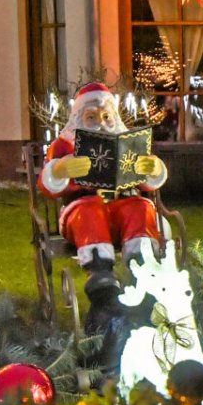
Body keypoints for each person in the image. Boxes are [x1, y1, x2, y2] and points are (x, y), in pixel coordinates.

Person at [38, 81, 167, 270]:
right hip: (83, 217)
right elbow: (46, 184)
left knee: (140, 207)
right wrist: (59, 170)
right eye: (91, 116)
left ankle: (143, 264)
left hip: (122, 211)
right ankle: (100, 274)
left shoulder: (127, 142)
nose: (101, 122)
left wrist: (153, 169)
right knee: (89, 211)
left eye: (106, 116)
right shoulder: (63, 145)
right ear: (78, 117)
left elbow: (148, 184)